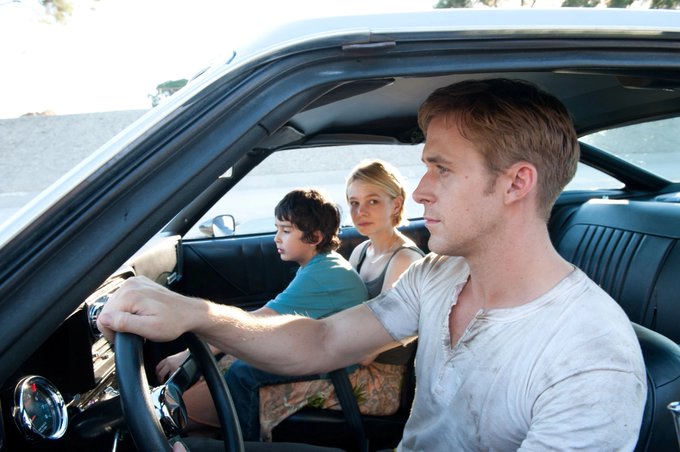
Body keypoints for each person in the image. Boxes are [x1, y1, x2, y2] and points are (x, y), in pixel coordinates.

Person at [98, 78, 647, 451]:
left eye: (441, 169)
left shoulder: (592, 361)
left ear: (516, 183)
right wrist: (198, 314)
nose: (421, 191)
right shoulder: (439, 276)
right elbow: (323, 341)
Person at [155, 188, 368, 441]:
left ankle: (245, 441)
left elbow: (255, 321)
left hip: (337, 363)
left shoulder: (322, 274)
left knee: (241, 372)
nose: (276, 238)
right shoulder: (320, 264)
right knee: (235, 358)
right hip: (323, 348)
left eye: (286, 231)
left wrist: (186, 355)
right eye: (277, 229)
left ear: (315, 237)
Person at [257, 160, 425, 439]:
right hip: (345, 357)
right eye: (354, 203)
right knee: (248, 363)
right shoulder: (362, 251)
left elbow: (369, 351)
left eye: (373, 201)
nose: (360, 212)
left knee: (255, 385)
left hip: (379, 378)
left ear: (396, 205)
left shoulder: (404, 260)